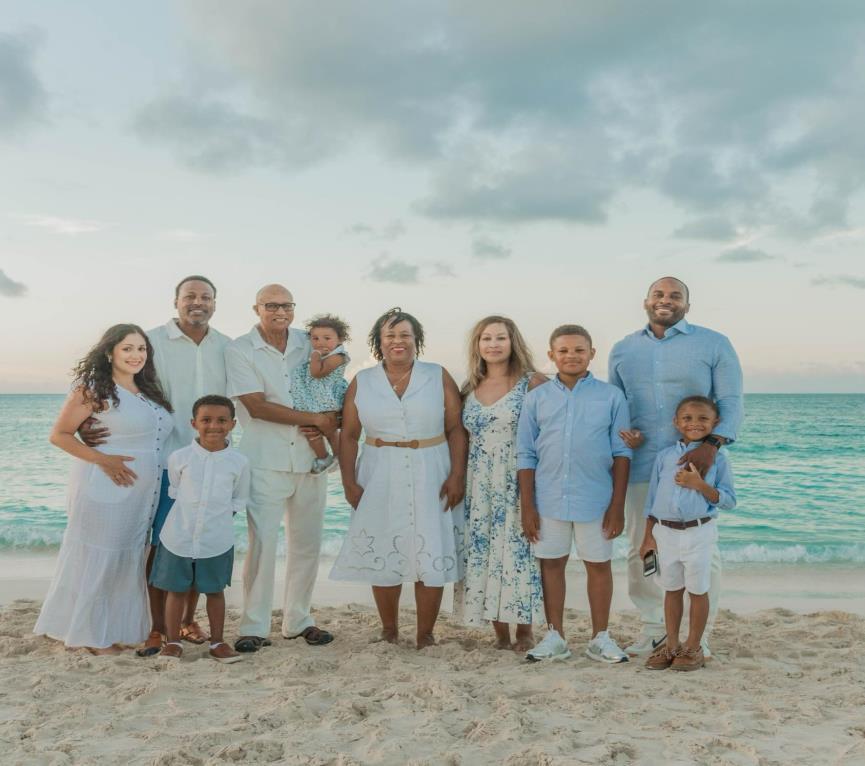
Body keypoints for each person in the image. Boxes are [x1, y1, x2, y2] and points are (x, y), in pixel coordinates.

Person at [79, 276, 231, 657]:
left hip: (211, 463)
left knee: (198, 544)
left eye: (206, 297)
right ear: (175, 301)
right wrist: (85, 423)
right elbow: (114, 383)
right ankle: (156, 626)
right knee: (161, 548)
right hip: (163, 461)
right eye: (189, 296)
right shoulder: (151, 342)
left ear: (215, 303)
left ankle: (187, 620)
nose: (198, 302)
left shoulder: (227, 347)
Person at [608, 276, 743, 657]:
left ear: (687, 304)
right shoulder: (623, 349)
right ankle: (655, 629)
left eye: (675, 295)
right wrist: (624, 436)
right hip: (641, 464)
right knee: (642, 548)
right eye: (658, 294)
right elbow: (616, 405)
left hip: (697, 463)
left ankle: (700, 635)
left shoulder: (714, 343)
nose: (665, 300)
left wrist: (712, 447)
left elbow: (731, 400)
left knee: (703, 554)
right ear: (646, 301)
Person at [330, 307, 467, 649]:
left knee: (430, 548)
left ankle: (425, 634)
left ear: (416, 340)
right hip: (379, 470)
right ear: (379, 342)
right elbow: (349, 435)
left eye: (405, 334)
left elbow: (455, 428)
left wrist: (457, 475)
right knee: (384, 547)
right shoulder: (363, 381)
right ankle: (389, 629)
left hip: (431, 468)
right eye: (390, 335)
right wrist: (348, 481)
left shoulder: (437, 375)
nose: (398, 341)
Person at [34, 324, 174, 654]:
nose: (136, 355)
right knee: (102, 558)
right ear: (110, 352)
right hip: (105, 487)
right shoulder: (94, 388)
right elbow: (59, 435)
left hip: (141, 495)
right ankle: (89, 636)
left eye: (141, 349)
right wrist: (104, 460)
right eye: (128, 348)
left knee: (125, 561)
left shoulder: (146, 390)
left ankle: (111, 630)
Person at [225, 284, 338, 653]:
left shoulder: (310, 342)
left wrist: (330, 423)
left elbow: (334, 384)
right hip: (265, 459)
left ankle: (299, 620)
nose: (280, 312)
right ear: (256, 308)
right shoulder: (240, 349)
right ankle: (254, 625)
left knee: (307, 543)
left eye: (287, 305)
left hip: (310, 458)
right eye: (271, 305)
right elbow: (256, 406)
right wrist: (314, 419)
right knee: (263, 544)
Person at [518, 325, 631, 664]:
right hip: (548, 497)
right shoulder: (536, 399)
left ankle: (601, 637)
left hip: (596, 498)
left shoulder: (611, 397)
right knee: (552, 564)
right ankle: (555, 636)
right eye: (563, 350)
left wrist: (617, 506)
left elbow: (622, 453)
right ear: (551, 355)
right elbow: (526, 454)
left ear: (591, 354)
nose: (571, 356)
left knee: (598, 565)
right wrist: (527, 506)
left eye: (579, 350)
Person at [453, 315, 545, 651]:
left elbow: (553, 432)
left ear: (512, 342)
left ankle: (525, 630)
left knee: (520, 552)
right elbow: (460, 439)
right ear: (477, 345)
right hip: (478, 484)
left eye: (501, 338)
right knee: (485, 552)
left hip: (518, 478)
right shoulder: (469, 387)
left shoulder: (533, 383)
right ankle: (500, 633)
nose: (493, 344)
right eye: (486, 338)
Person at [640, 396, 737, 671]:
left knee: (698, 590)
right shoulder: (664, 457)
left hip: (699, 532)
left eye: (703, 418)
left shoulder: (719, 459)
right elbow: (651, 501)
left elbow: (729, 500)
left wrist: (700, 485)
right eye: (687, 418)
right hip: (665, 533)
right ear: (676, 422)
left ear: (715, 423)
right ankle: (672, 645)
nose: (695, 424)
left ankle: (693, 646)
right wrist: (648, 537)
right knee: (671, 590)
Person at [152, 395, 250, 664]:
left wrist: (212, 523)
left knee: (215, 591)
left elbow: (238, 500)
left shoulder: (239, 462)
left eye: (222, 420)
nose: (214, 426)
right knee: (176, 590)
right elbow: (175, 491)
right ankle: (173, 642)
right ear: (194, 423)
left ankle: (217, 642)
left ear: (232, 424)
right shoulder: (179, 458)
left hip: (216, 540)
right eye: (206, 420)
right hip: (178, 537)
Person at [289, 314, 350, 474]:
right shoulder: (322, 355)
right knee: (308, 429)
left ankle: (339, 455)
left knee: (330, 430)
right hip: (311, 399)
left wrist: (314, 354)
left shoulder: (338, 357)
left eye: (327, 338)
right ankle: (323, 457)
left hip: (326, 399)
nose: (320, 343)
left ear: (340, 339)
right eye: (315, 339)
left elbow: (317, 373)